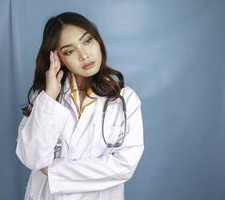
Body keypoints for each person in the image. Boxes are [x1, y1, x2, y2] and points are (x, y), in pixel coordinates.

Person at [16, 12, 144, 200]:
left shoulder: (125, 99)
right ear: (57, 57)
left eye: (87, 41)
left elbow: (124, 166)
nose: (84, 55)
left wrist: (54, 172)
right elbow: (32, 158)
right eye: (69, 51)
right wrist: (50, 97)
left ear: (98, 41)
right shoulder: (45, 97)